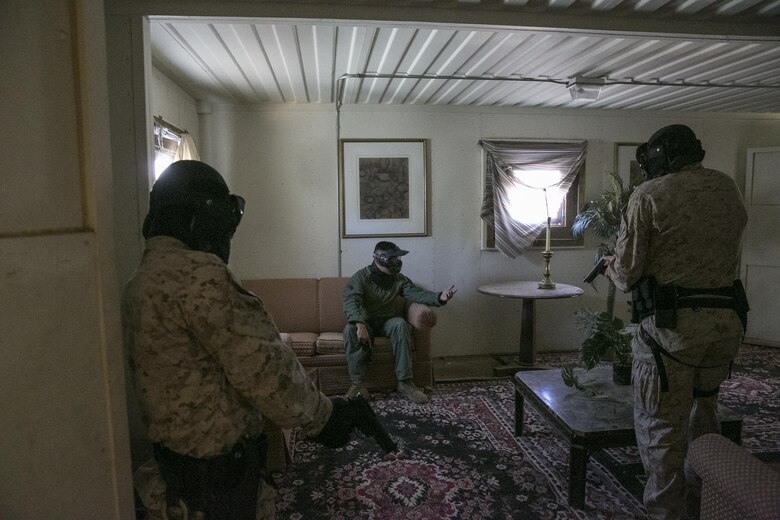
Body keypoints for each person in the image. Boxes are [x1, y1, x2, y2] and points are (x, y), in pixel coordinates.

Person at [122, 160, 379, 520]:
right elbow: (265, 371)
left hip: (173, 476)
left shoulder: (141, 280)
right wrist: (326, 417)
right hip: (218, 483)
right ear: (202, 218)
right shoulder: (201, 277)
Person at [603, 125, 748, 520]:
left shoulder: (648, 195)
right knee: (705, 414)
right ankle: (708, 502)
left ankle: (667, 512)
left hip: (670, 336)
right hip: (724, 329)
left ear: (661, 156)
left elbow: (629, 273)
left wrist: (610, 266)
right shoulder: (727, 188)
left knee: (660, 429)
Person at [343, 241, 457, 404]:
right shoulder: (361, 278)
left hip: (387, 320)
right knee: (350, 329)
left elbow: (416, 294)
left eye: (397, 257)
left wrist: (439, 297)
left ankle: (405, 383)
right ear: (379, 258)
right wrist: (360, 325)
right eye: (392, 258)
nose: (397, 261)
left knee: (400, 324)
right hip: (366, 321)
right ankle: (358, 385)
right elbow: (351, 301)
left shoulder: (399, 279)